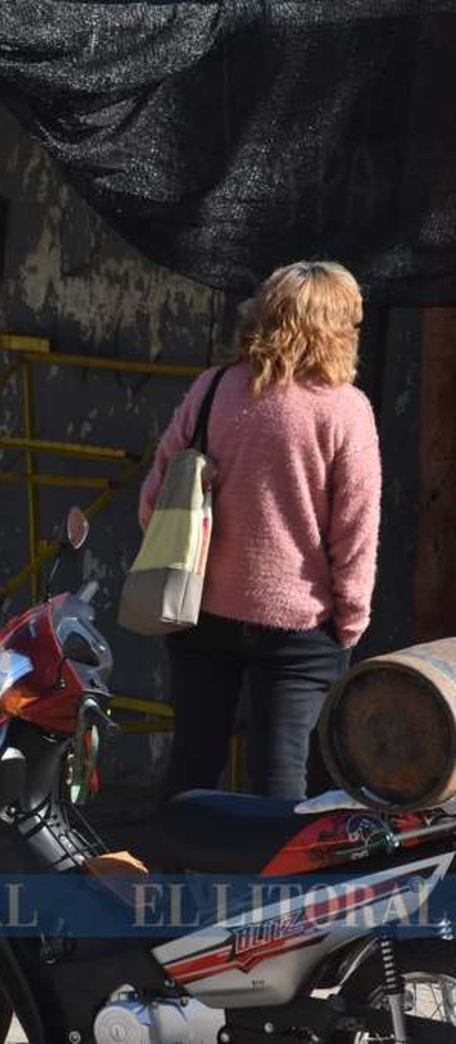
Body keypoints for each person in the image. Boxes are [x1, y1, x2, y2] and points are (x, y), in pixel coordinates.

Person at [143, 260, 381, 803]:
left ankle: (172, 883)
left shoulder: (213, 389)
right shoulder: (346, 411)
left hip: (198, 610)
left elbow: (154, 502)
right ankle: (266, 890)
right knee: (280, 779)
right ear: (335, 329)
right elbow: (355, 531)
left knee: (192, 767)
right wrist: (351, 621)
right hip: (300, 627)